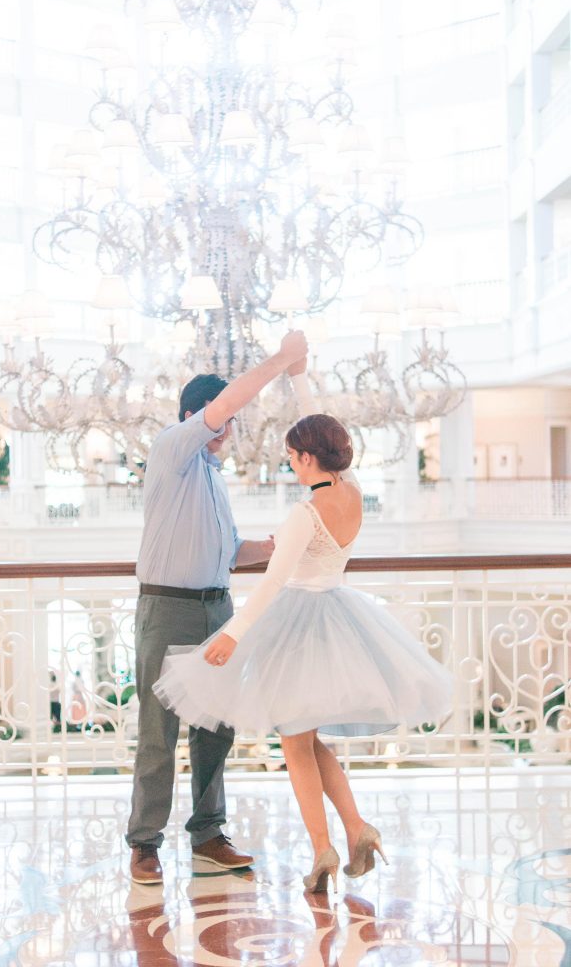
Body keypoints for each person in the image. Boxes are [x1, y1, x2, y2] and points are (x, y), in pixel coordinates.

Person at [154, 356, 453, 893]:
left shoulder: (304, 515)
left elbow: (270, 585)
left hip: (297, 630)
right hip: (339, 618)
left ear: (308, 457)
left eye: (293, 456)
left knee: (296, 744)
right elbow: (319, 425)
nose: (291, 463)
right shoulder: (353, 491)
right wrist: (299, 377)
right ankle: (358, 827)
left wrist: (231, 634)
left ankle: (323, 851)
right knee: (312, 742)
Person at [126, 329, 309, 884]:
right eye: (223, 419)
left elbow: (230, 552)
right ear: (195, 416)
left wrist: (279, 548)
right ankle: (144, 845)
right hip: (168, 609)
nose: (230, 430)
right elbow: (226, 403)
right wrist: (282, 360)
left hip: (217, 610)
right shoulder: (172, 448)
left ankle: (208, 835)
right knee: (160, 731)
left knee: (216, 727)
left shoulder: (212, 479)